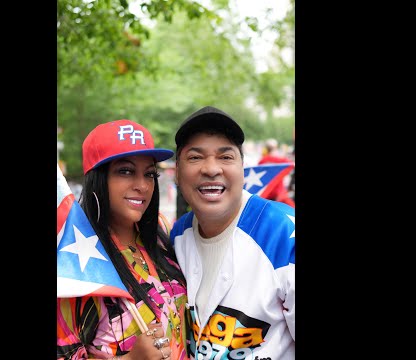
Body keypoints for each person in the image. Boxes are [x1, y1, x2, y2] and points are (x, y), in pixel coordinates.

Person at [170, 106, 295, 359]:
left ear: (242, 168)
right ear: (177, 172)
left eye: (225, 157)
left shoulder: (282, 231)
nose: (211, 169)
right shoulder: (177, 235)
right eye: (195, 157)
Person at [57, 119, 189, 360]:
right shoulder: (73, 262)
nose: (142, 185)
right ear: (97, 178)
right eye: (125, 171)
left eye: (149, 174)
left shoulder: (161, 229)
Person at [258, 138, 295, 208]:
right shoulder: (281, 160)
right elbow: (291, 166)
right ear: (275, 148)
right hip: (278, 194)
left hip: (266, 193)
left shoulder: (262, 160)